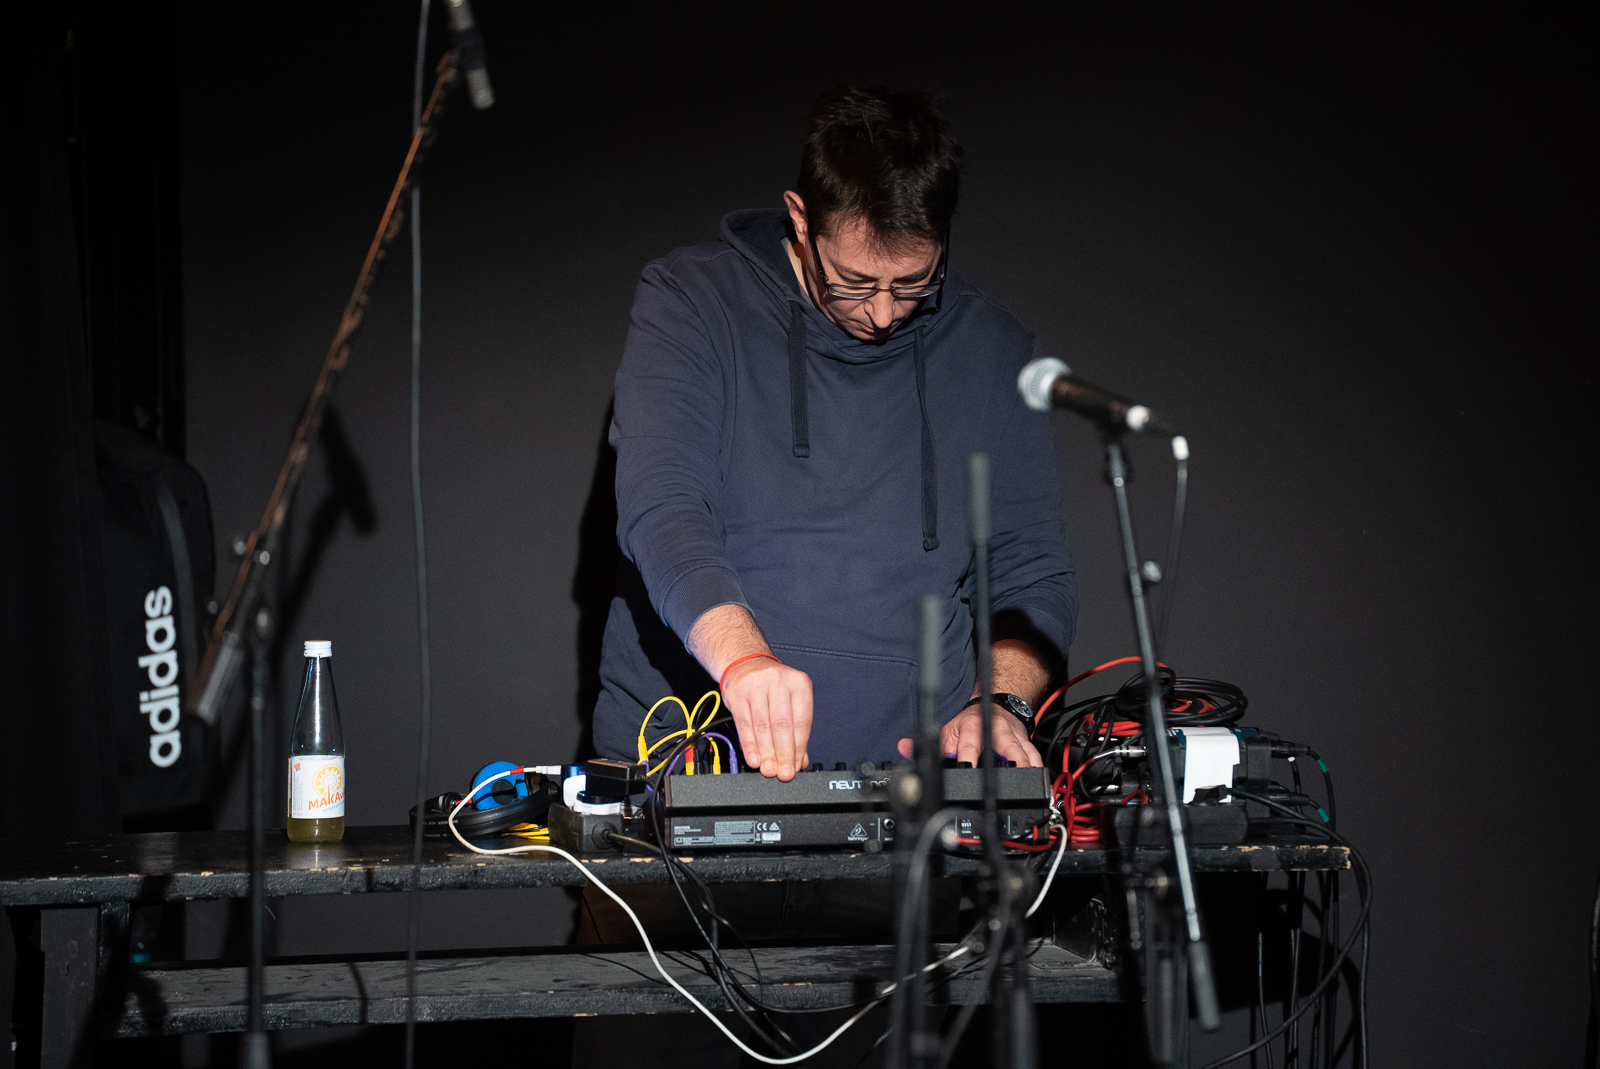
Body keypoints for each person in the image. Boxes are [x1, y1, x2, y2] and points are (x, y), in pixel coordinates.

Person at [594, 84, 1077, 781]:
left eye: (912, 284)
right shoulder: (693, 302)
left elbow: (1031, 569)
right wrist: (744, 660)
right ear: (800, 218)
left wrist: (999, 702)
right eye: (854, 282)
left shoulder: (996, 352)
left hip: (910, 789)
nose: (882, 313)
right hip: (688, 769)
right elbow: (662, 506)